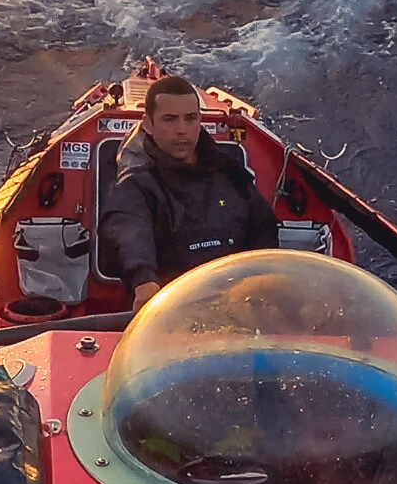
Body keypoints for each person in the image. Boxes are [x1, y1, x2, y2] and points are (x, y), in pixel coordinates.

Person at [100, 70, 278, 309]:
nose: (182, 129)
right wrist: (144, 280)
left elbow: (264, 228)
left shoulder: (229, 172)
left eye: (191, 118)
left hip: (238, 305)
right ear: (148, 125)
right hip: (169, 312)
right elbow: (126, 228)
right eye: (170, 119)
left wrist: (262, 281)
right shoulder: (136, 184)